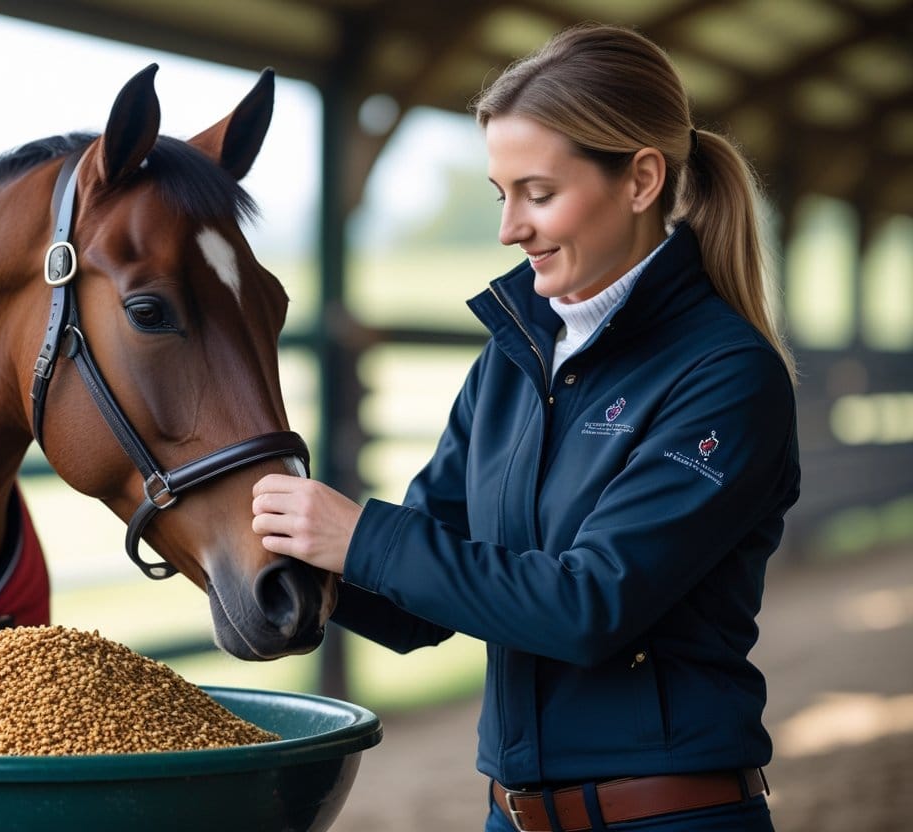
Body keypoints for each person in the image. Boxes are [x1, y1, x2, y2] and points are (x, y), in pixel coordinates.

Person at [252, 22, 800, 832]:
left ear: (641, 179)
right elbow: (416, 607)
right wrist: (269, 550)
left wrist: (360, 535)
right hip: (511, 817)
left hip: (667, 819)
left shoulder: (725, 376)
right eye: (500, 195)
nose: (511, 228)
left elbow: (590, 606)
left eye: (538, 193)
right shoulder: (511, 362)